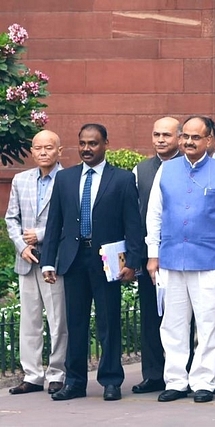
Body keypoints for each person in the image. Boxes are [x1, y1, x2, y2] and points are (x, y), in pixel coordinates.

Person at [41, 123, 143, 401]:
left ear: (105, 144)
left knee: (109, 321)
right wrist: (48, 261)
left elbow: (132, 224)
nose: (87, 148)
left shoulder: (121, 179)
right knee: (74, 323)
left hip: (107, 261)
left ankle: (111, 381)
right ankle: (74, 382)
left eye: (93, 143)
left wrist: (132, 262)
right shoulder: (66, 179)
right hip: (73, 259)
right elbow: (54, 223)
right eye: (83, 143)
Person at [146, 115, 215, 403]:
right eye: (185, 136)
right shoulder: (166, 170)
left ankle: (204, 381)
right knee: (173, 324)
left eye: (196, 137)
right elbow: (155, 214)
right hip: (171, 258)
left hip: (209, 260)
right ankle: (175, 380)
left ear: (210, 140)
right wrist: (153, 254)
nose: (189, 141)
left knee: (208, 323)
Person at [5, 130, 67, 396]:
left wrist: (40, 235)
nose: (43, 152)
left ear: (59, 151)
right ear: (32, 151)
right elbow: (11, 219)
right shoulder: (20, 180)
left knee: (57, 320)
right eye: (38, 147)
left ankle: (57, 373)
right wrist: (21, 246)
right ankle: (32, 375)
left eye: (49, 148)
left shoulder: (68, 180)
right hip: (27, 261)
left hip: (53, 260)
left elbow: (69, 221)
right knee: (29, 322)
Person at [129, 117, 182, 394]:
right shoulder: (141, 170)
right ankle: (153, 373)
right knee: (151, 315)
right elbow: (135, 214)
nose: (161, 140)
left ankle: (182, 372)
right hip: (150, 256)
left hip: (182, 254)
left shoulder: (189, 166)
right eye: (156, 135)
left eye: (166, 135)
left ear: (179, 138)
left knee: (182, 317)